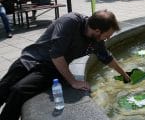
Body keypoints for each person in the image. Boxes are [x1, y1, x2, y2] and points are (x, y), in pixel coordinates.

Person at [0, 10, 131, 120]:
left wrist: (125, 76)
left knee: (19, 91)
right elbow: (56, 54)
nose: (107, 39)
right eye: (107, 36)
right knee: (3, 88)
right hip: (31, 58)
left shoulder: (95, 40)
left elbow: (107, 58)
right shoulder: (70, 22)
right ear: (97, 30)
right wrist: (73, 81)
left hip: (50, 69)